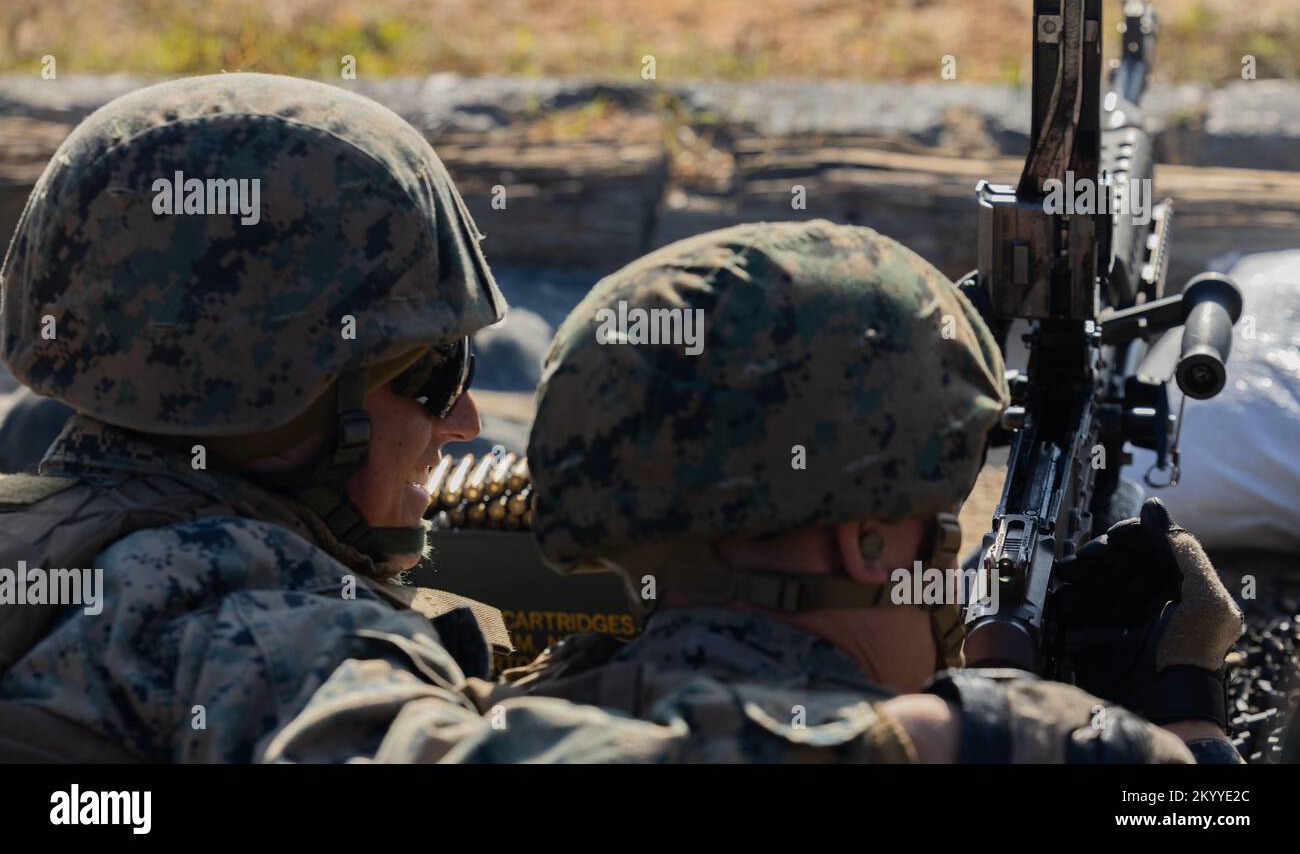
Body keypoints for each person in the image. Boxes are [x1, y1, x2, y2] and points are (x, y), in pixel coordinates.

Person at [0, 73, 685, 763]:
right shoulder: (249, 622)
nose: (466, 421)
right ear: (278, 403)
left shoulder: (43, 543)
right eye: (435, 374)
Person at [502, 219, 1246, 763]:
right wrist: (1186, 724)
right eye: (941, 522)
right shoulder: (1005, 749)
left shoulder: (495, 721)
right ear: (865, 543)